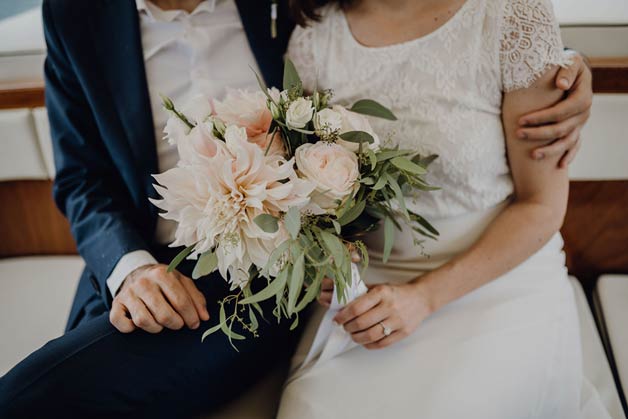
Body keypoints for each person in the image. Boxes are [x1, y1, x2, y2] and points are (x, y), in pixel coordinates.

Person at [0, 0, 592, 417]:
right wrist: (130, 269)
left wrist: (561, 68)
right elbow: (83, 179)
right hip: (137, 263)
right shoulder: (75, 13)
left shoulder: (286, 7)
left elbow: (454, 48)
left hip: (263, 277)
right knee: (49, 385)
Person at [277, 0, 607, 418]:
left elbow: (540, 205)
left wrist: (424, 299)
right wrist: (332, 256)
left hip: (498, 280)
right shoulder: (315, 34)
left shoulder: (512, 16)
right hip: (370, 287)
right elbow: (314, 189)